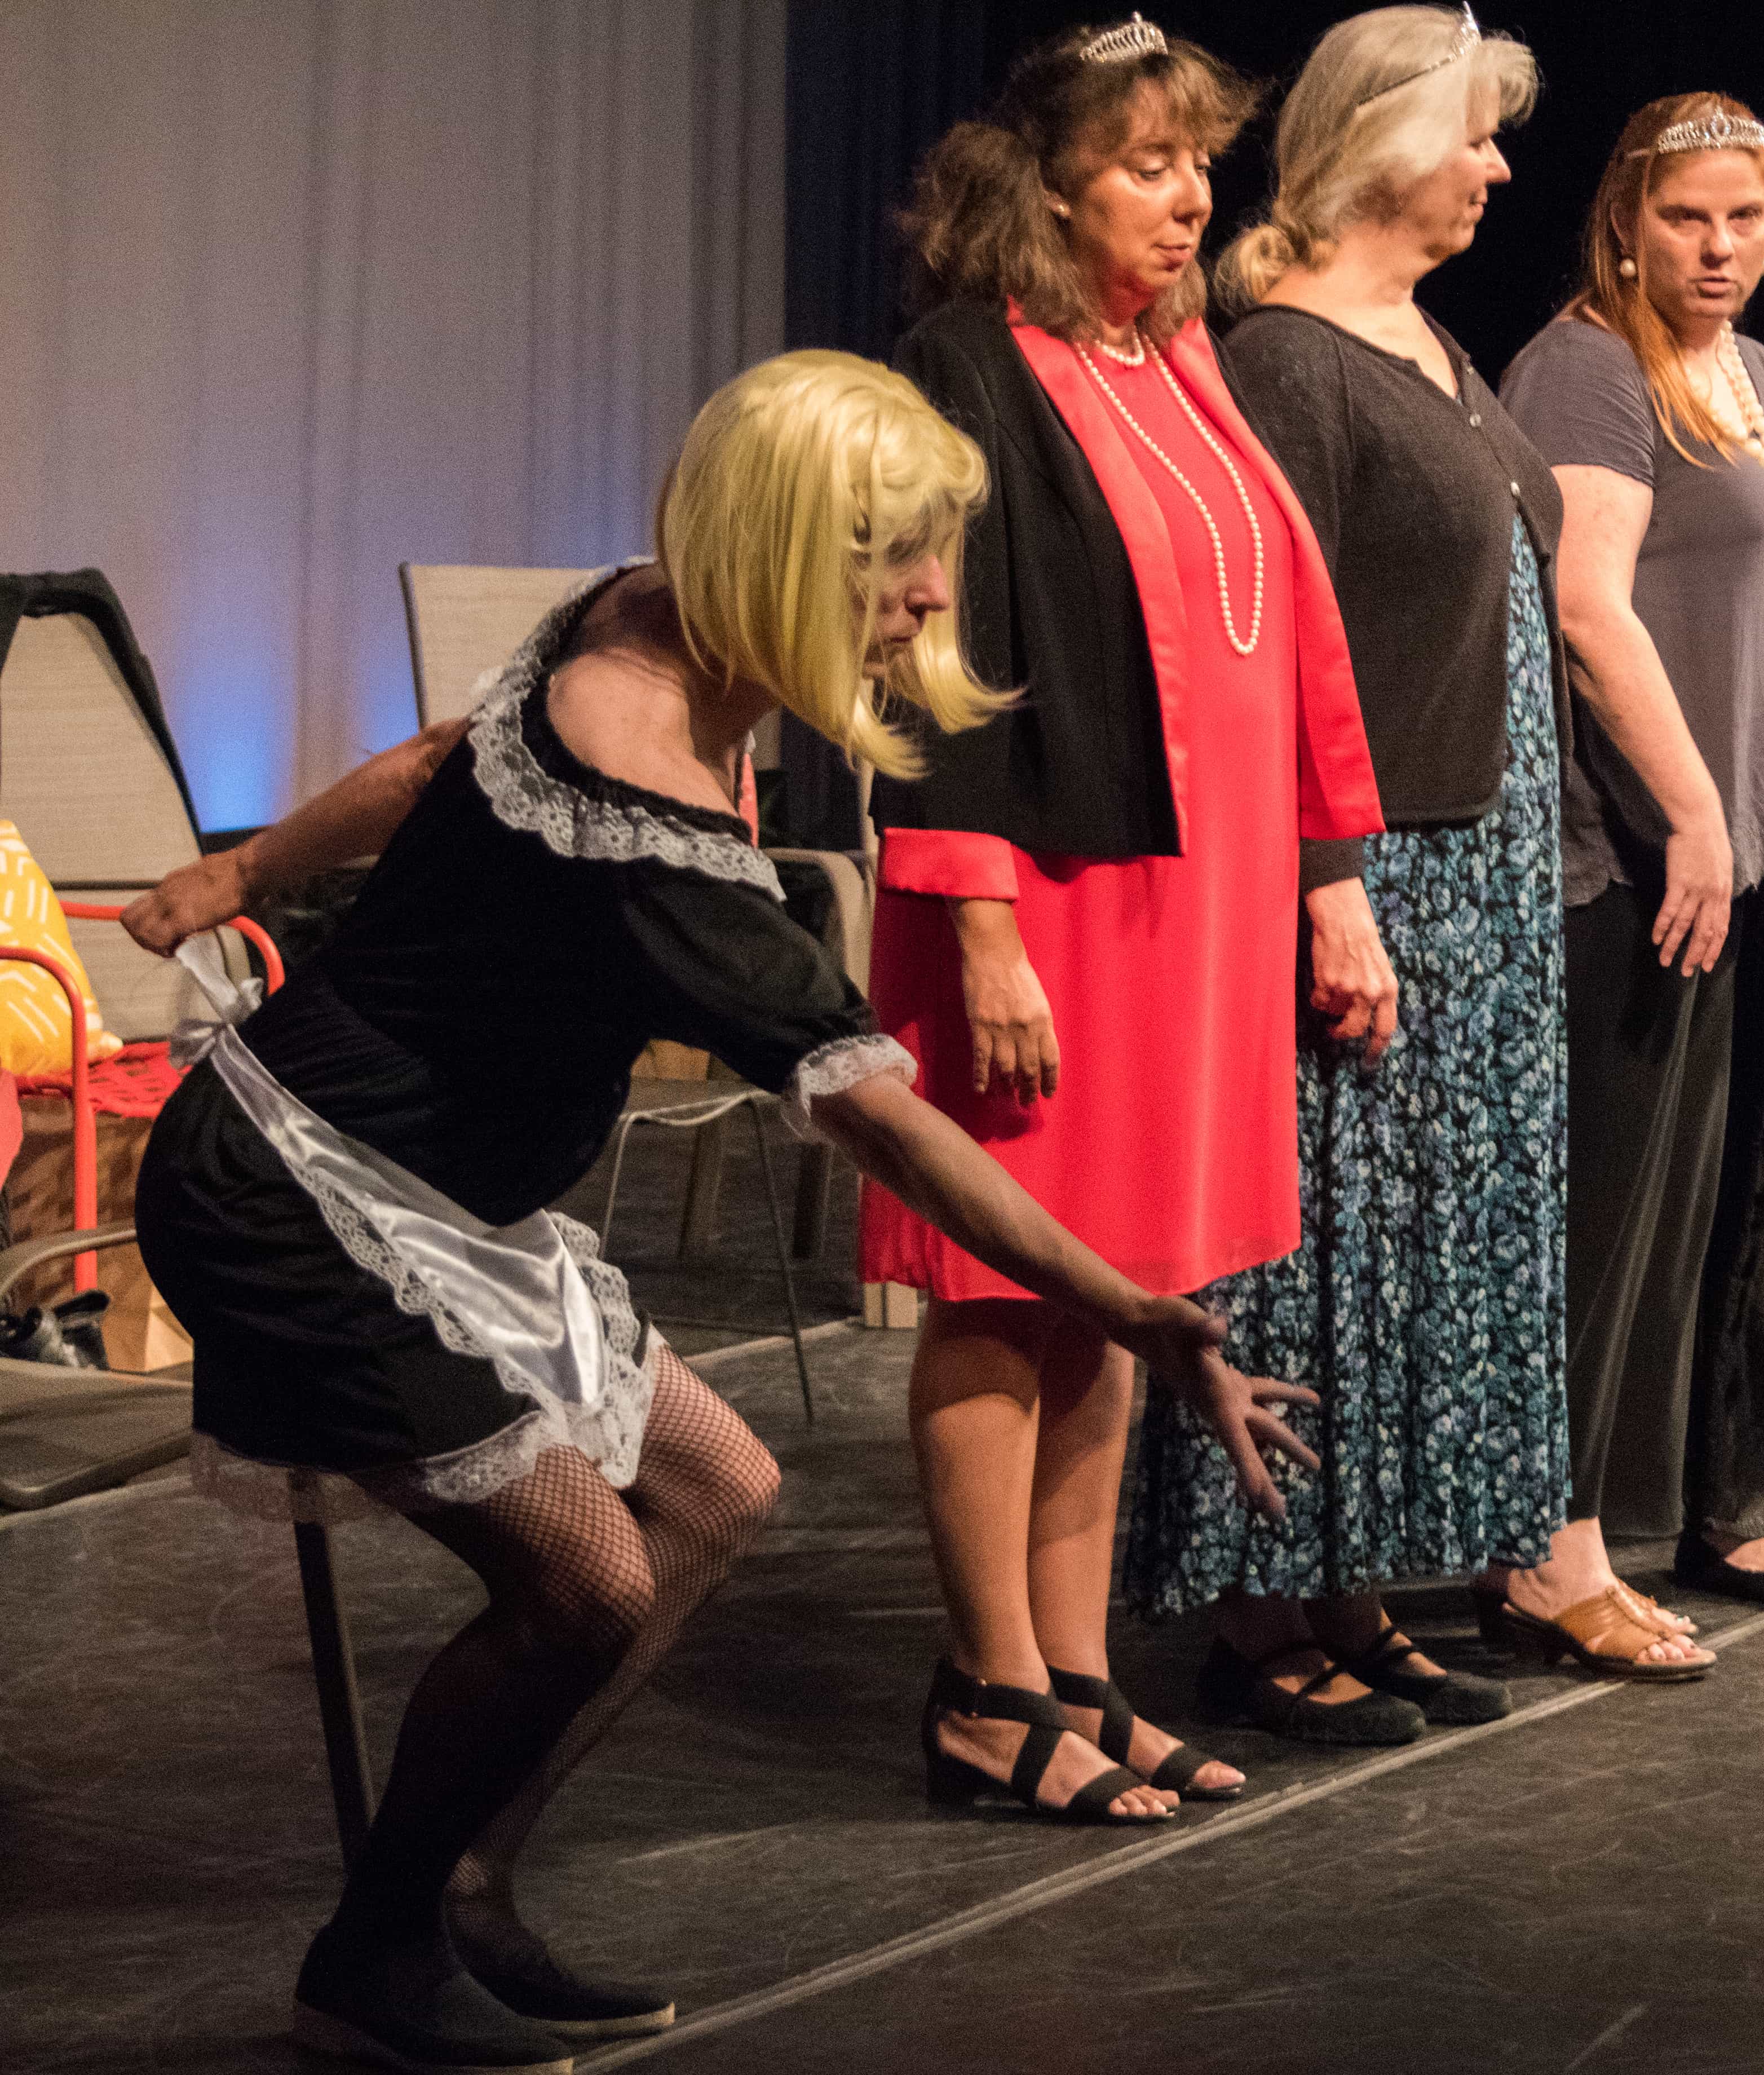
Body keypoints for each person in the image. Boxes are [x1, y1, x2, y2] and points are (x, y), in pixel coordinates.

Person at [122, 350, 1314, 2075]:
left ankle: (464, 1890)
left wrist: (245, 869)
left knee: (712, 1492)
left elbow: (440, 758)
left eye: (931, 555)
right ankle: (369, 1953)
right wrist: (1123, 1300)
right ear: (774, 551)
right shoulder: (646, 811)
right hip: (300, 1189)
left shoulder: (639, 614)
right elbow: (888, 1129)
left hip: (445, 1198)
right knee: (588, 1577)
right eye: (885, 559)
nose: (924, 596)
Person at [872, 19, 1384, 1806]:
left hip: (1201, 898)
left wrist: (1331, 878)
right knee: (1007, 1288)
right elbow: (930, 663)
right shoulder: (964, 364)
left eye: (1198, 166)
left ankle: (1076, 1671)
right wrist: (978, 926)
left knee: (1127, 1286)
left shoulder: (1178, 355)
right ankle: (982, 1687)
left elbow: (1298, 624)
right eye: (1145, 166)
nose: (1188, 202)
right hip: (1051, 895)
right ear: (1050, 182)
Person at [1120, 3, 1566, 1745]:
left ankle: (1356, 1574)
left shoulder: (1420, 331)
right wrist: (1330, 884)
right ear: (1387, 146)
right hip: (1381, 861)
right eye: (1475, 134)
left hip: (1488, 852)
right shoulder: (1290, 358)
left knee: (1423, 1238)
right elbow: (1260, 655)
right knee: (1324, 1239)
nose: (1498, 166)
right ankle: (1253, 1604)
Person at [1493, 90, 1764, 1647]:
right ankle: (1550, 1546)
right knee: (1606, 1212)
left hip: (1758, 844)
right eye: (1685, 218)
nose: (1717, 248)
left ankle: (1633, 1520)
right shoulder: (1590, 370)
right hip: (1644, 857)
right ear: (1625, 219)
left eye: (1742, 217)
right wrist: (1700, 813)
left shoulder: (1751, 375)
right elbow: (1588, 611)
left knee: (1712, 1208)